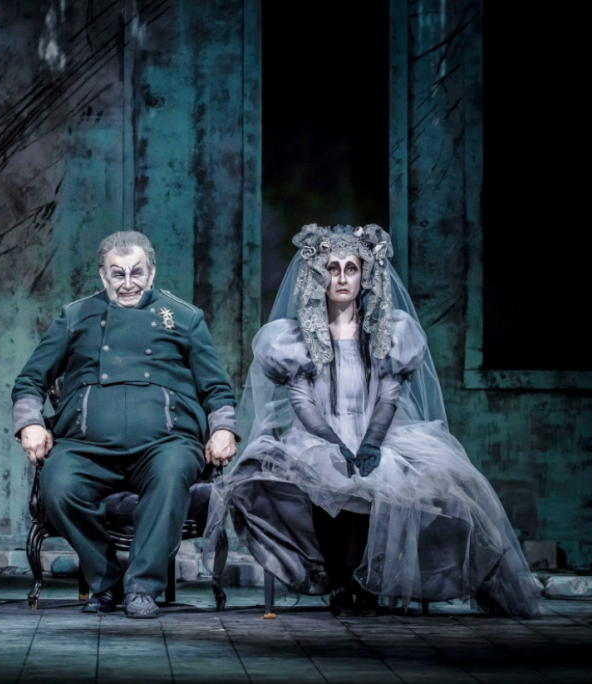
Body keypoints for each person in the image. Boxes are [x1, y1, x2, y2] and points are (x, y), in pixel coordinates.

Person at [206, 223, 540, 618]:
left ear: (364, 274)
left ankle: (367, 582)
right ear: (319, 275)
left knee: (401, 483)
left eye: (351, 268)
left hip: (377, 432)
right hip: (318, 434)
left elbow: (388, 395)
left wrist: (371, 442)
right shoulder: (296, 337)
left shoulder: (386, 331)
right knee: (324, 480)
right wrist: (332, 442)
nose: (341, 278)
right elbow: (302, 400)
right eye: (332, 268)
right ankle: (340, 582)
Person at [12, 231, 239, 618]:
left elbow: (216, 387)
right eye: (118, 274)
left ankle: (142, 588)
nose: (128, 283)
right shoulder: (75, 316)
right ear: (103, 276)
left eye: (137, 272)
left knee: (171, 474)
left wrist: (223, 428)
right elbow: (30, 380)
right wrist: (30, 422)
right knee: (58, 483)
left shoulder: (184, 318)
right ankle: (106, 581)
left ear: (152, 273)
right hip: (86, 445)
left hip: (166, 443)